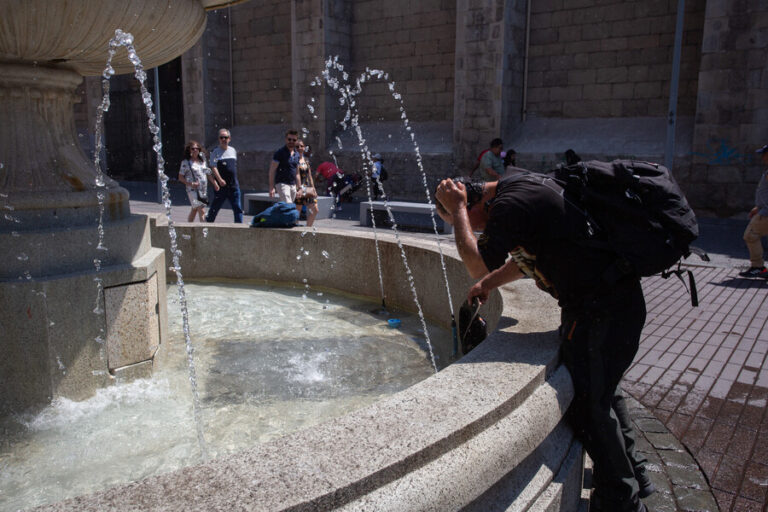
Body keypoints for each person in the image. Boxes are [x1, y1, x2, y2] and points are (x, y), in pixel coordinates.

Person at [435, 174, 653, 512]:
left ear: (474, 203)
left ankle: (620, 500)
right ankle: (635, 471)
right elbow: (526, 260)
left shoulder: (508, 205)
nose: (471, 229)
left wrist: (458, 209)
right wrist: (489, 284)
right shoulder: (518, 188)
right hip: (610, 304)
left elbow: (475, 263)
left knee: (587, 406)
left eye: (462, 221)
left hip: (600, 311)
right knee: (604, 390)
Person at [739, 144, 768, 278]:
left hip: (766, 214)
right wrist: (758, 207)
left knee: (750, 235)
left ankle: (758, 267)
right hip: (763, 210)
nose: (762, 157)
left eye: (764, 154)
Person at [205, 128, 243, 223]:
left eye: (225, 137)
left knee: (237, 208)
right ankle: (208, 224)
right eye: (221, 137)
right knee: (215, 208)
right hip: (221, 186)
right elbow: (213, 167)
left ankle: (239, 227)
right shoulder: (215, 152)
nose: (223, 139)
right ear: (219, 139)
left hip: (233, 185)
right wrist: (220, 179)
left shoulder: (233, 150)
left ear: (229, 138)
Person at [178, 140, 217, 222]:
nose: (195, 150)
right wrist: (190, 183)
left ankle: (189, 226)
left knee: (195, 209)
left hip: (202, 189)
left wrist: (214, 183)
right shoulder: (186, 162)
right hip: (192, 190)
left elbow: (208, 172)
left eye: (197, 148)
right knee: (201, 209)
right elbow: (180, 177)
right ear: (189, 150)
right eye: (193, 149)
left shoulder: (202, 160)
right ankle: (203, 228)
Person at [268, 129, 301, 204]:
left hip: (292, 185)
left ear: (296, 141)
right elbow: (272, 171)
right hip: (282, 183)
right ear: (286, 139)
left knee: (288, 206)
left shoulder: (297, 154)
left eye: (294, 140)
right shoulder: (279, 153)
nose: (291, 141)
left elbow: (297, 173)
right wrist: (271, 187)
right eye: (289, 139)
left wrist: (299, 188)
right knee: (289, 205)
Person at [295, 141, 319, 226]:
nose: (299, 148)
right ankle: (295, 230)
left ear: (304, 148)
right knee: (297, 212)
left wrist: (313, 188)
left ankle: (307, 229)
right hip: (298, 188)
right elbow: (297, 175)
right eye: (297, 146)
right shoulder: (294, 160)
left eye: (301, 146)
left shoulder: (306, 160)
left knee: (315, 210)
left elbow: (310, 176)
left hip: (307, 188)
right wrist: (299, 189)